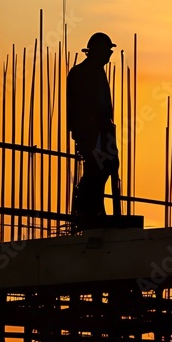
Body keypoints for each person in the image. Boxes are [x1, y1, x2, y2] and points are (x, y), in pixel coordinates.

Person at [67, 32, 120, 221]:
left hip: (103, 129)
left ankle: (93, 207)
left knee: (109, 164)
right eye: (107, 51)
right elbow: (74, 105)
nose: (109, 55)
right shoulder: (81, 72)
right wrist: (81, 129)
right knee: (97, 167)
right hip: (91, 131)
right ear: (97, 51)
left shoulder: (96, 70)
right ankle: (88, 208)